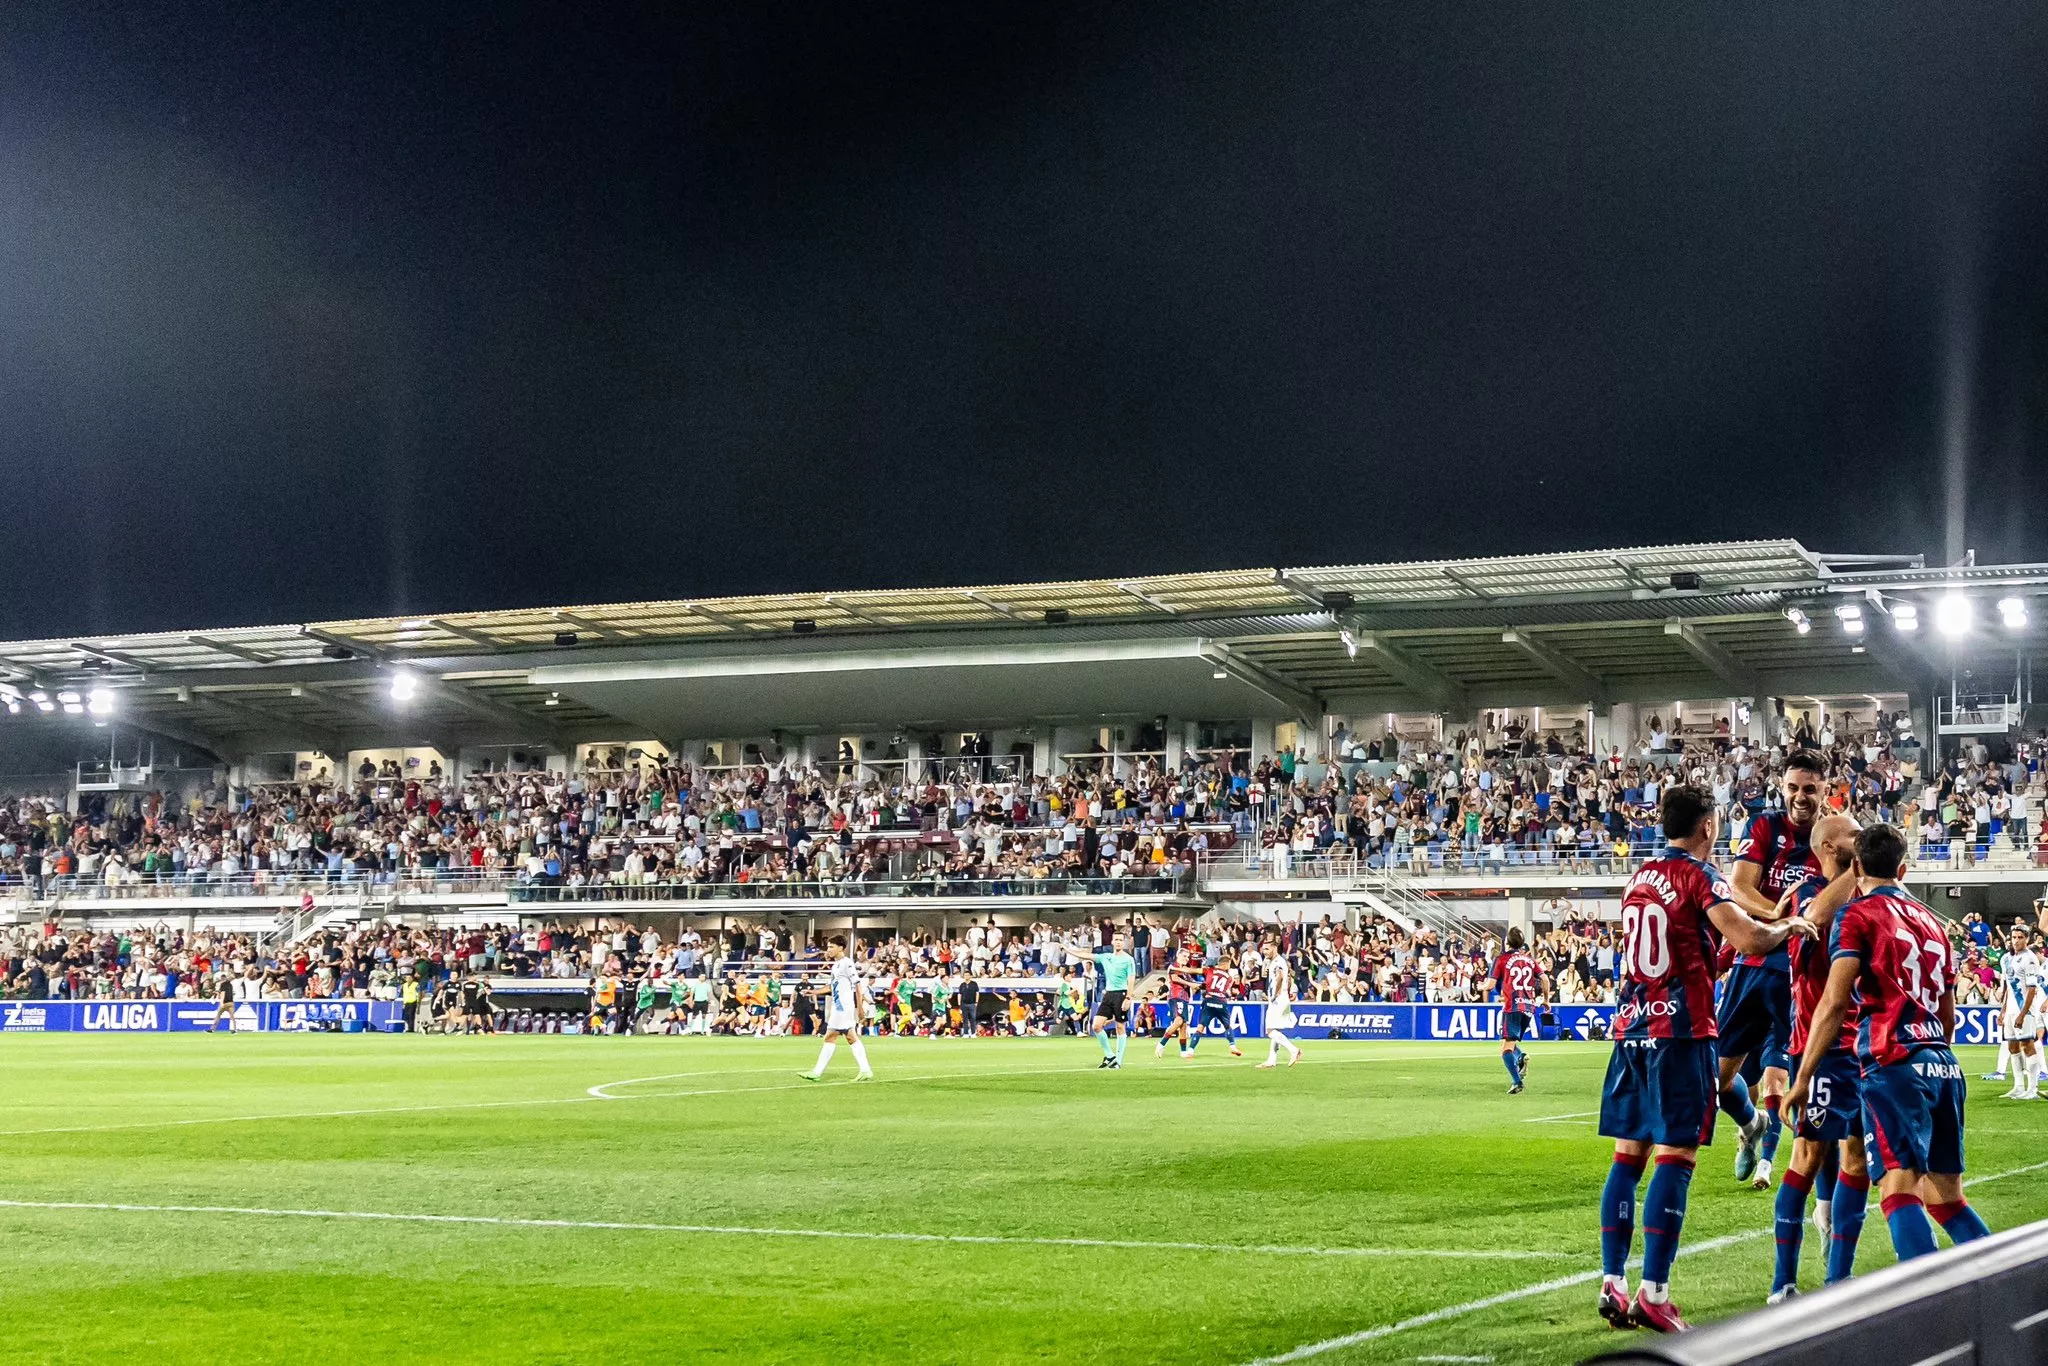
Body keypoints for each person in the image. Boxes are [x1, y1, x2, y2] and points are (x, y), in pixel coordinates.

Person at [1597, 785, 1815, 1334]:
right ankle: (1654, 1294)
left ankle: (1612, 1282)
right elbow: (1750, 939)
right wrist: (1786, 926)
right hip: (1681, 1033)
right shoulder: (1700, 876)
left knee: (1627, 1158)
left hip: (1631, 1029)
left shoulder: (1639, 877)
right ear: (1708, 826)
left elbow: (1688, 949)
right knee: (1675, 1158)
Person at [1786, 823, 1992, 1264]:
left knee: (1899, 1191)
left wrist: (1803, 1077)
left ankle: (1927, 1297)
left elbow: (1834, 1002)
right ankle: (2010, 1285)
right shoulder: (1935, 924)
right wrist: (1932, 1055)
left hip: (1893, 1060)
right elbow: (1948, 1014)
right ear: (1902, 869)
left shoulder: (1856, 916)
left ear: (1857, 868)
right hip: (1942, 1062)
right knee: (1946, 1198)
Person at [1766, 813, 1870, 1303]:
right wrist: (1862, 867)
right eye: (1854, 835)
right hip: (1819, 1046)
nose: (1862, 839)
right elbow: (1817, 916)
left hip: (1863, 1046)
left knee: (1857, 1159)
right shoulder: (1805, 892)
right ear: (1829, 846)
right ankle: (1783, 1283)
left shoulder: (1863, 894)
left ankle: (1838, 1278)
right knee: (1807, 1156)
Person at [1721, 751, 1826, 1188]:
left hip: (1802, 973)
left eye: (1810, 789)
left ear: (1825, 789)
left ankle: (1804, 1182)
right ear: (1782, 787)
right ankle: (1750, 1124)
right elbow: (1739, 887)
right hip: (1753, 961)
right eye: (1793, 788)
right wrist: (1781, 918)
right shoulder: (1764, 826)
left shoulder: (1834, 835)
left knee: (1795, 1081)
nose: (1800, 797)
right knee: (1717, 1080)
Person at [801, 937, 873, 1081]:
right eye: (828, 947)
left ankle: (817, 1072)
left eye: (831, 947)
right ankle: (865, 1070)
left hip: (843, 1007)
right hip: (839, 1006)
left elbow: (857, 985)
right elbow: (831, 987)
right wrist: (813, 992)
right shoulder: (836, 966)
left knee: (831, 1037)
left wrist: (859, 1008)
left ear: (840, 948)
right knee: (850, 1037)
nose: (828, 950)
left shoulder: (847, 963)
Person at [1491, 926, 1544, 1094]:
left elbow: (1491, 984)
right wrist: (1547, 1000)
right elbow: (1544, 978)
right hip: (1528, 1007)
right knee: (1508, 1041)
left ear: (1507, 942)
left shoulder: (1501, 959)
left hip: (1512, 1006)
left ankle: (1517, 1082)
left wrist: (1482, 986)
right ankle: (1521, 1057)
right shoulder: (1529, 959)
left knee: (1505, 1050)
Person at [1996, 925, 2043, 1100]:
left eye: (2020, 937)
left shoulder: (2030, 959)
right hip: (2010, 1009)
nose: (2016, 941)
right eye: (2014, 937)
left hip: (2025, 1009)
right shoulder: (2007, 958)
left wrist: (2023, 1014)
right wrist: (2003, 1011)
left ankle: (2033, 1089)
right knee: (2012, 1047)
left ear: (2027, 939)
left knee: (2027, 1045)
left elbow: (2031, 989)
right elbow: (2009, 987)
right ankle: (2018, 1086)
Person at [1087, 933, 1137, 1069]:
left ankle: (1118, 1061)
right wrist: (1067, 949)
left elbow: (1131, 979)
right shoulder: (1106, 957)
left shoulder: (1128, 959)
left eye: (1121, 940)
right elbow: (1088, 956)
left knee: (1120, 1027)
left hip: (1121, 993)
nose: (1118, 942)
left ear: (1124, 942)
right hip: (1108, 994)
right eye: (1116, 940)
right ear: (1112, 942)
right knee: (1096, 1026)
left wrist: (1128, 997)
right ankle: (1110, 1056)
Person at [1258, 939, 1302, 1069]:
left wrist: (1276, 994)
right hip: (1281, 998)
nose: (1264, 952)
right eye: (1263, 949)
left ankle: (1294, 1050)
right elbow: (1287, 978)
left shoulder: (1278, 962)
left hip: (1278, 1000)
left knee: (1270, 1031)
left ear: (1274, 948)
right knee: (1275, 1030)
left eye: (1267, 949)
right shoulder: (1277, 962)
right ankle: (1271, 1060)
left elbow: (1281, 976)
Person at [1156, 934, 1202, 1060]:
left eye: (1188, 957)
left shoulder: (1185, 971)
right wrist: (1191, 984)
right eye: (1184, 956)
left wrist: (1200, 986)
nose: (1186, 958)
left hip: (1185, 998)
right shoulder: (1174, 966)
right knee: (1179, 1021)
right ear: (1178, 955)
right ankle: (1161, 1044)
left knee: (1183, 1025)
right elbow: (1175, 978)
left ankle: (1183, 1051)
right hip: (1176, 996)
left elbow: (1194, 984)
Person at [1199, 954, 1244, 1057]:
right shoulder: (1229, 977)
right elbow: (1226, 991)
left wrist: (1179, 969)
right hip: (1220, 1001)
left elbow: (1204, 982)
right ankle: (1232, 1046)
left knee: (1201, 1026)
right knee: (1227, 1025)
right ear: (1225, 964)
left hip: (1209, 999)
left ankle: (1190, 1050)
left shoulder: (1210, 970)